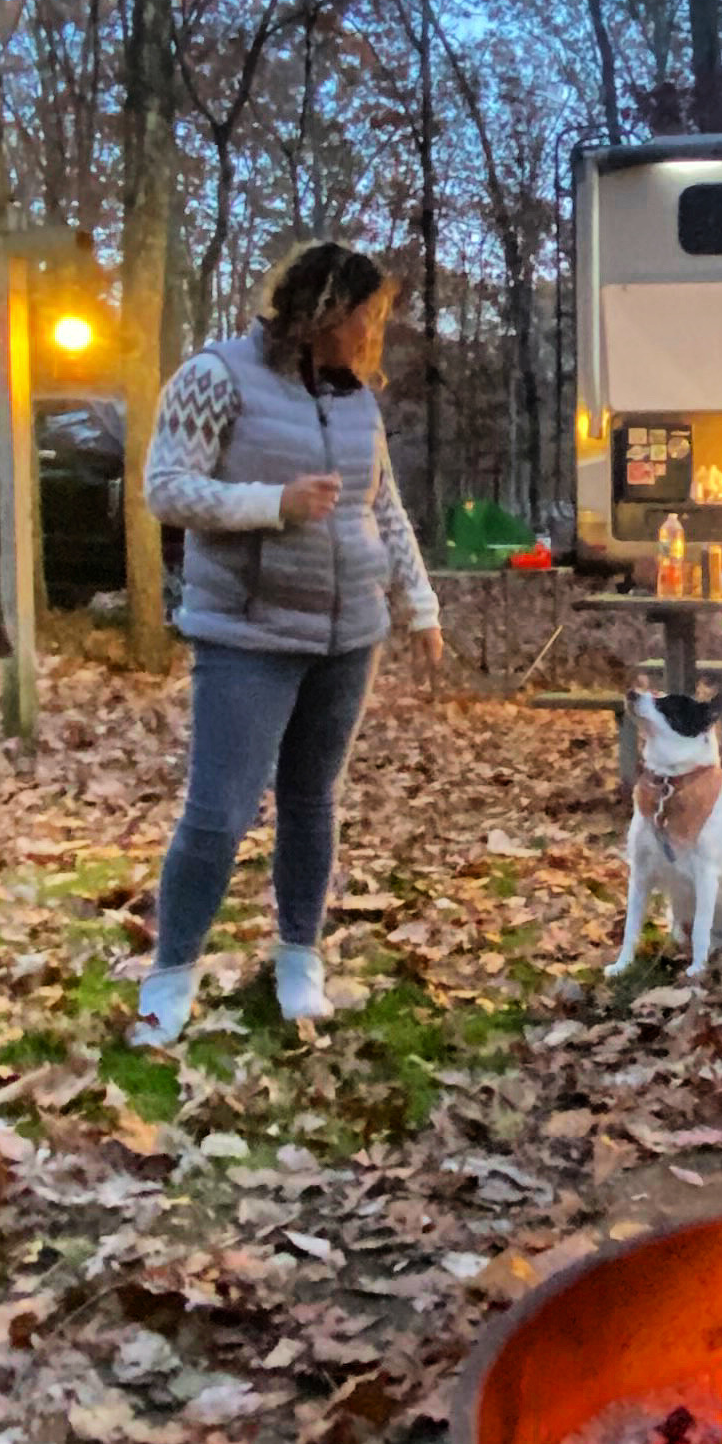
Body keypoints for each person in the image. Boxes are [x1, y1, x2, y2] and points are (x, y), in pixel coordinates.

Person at [134, 238, 443, 1038]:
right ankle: (170, 980)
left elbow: (383, 507)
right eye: (368, 315)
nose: (377, 332)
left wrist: (421, 605)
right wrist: (273, 502)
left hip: (350, 635)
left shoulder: (357, 400)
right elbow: (166, 489)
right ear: (326, 312)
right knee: (218, 813)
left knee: (312, 801)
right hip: (248, 632)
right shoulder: (215, 377)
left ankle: (299, 960)